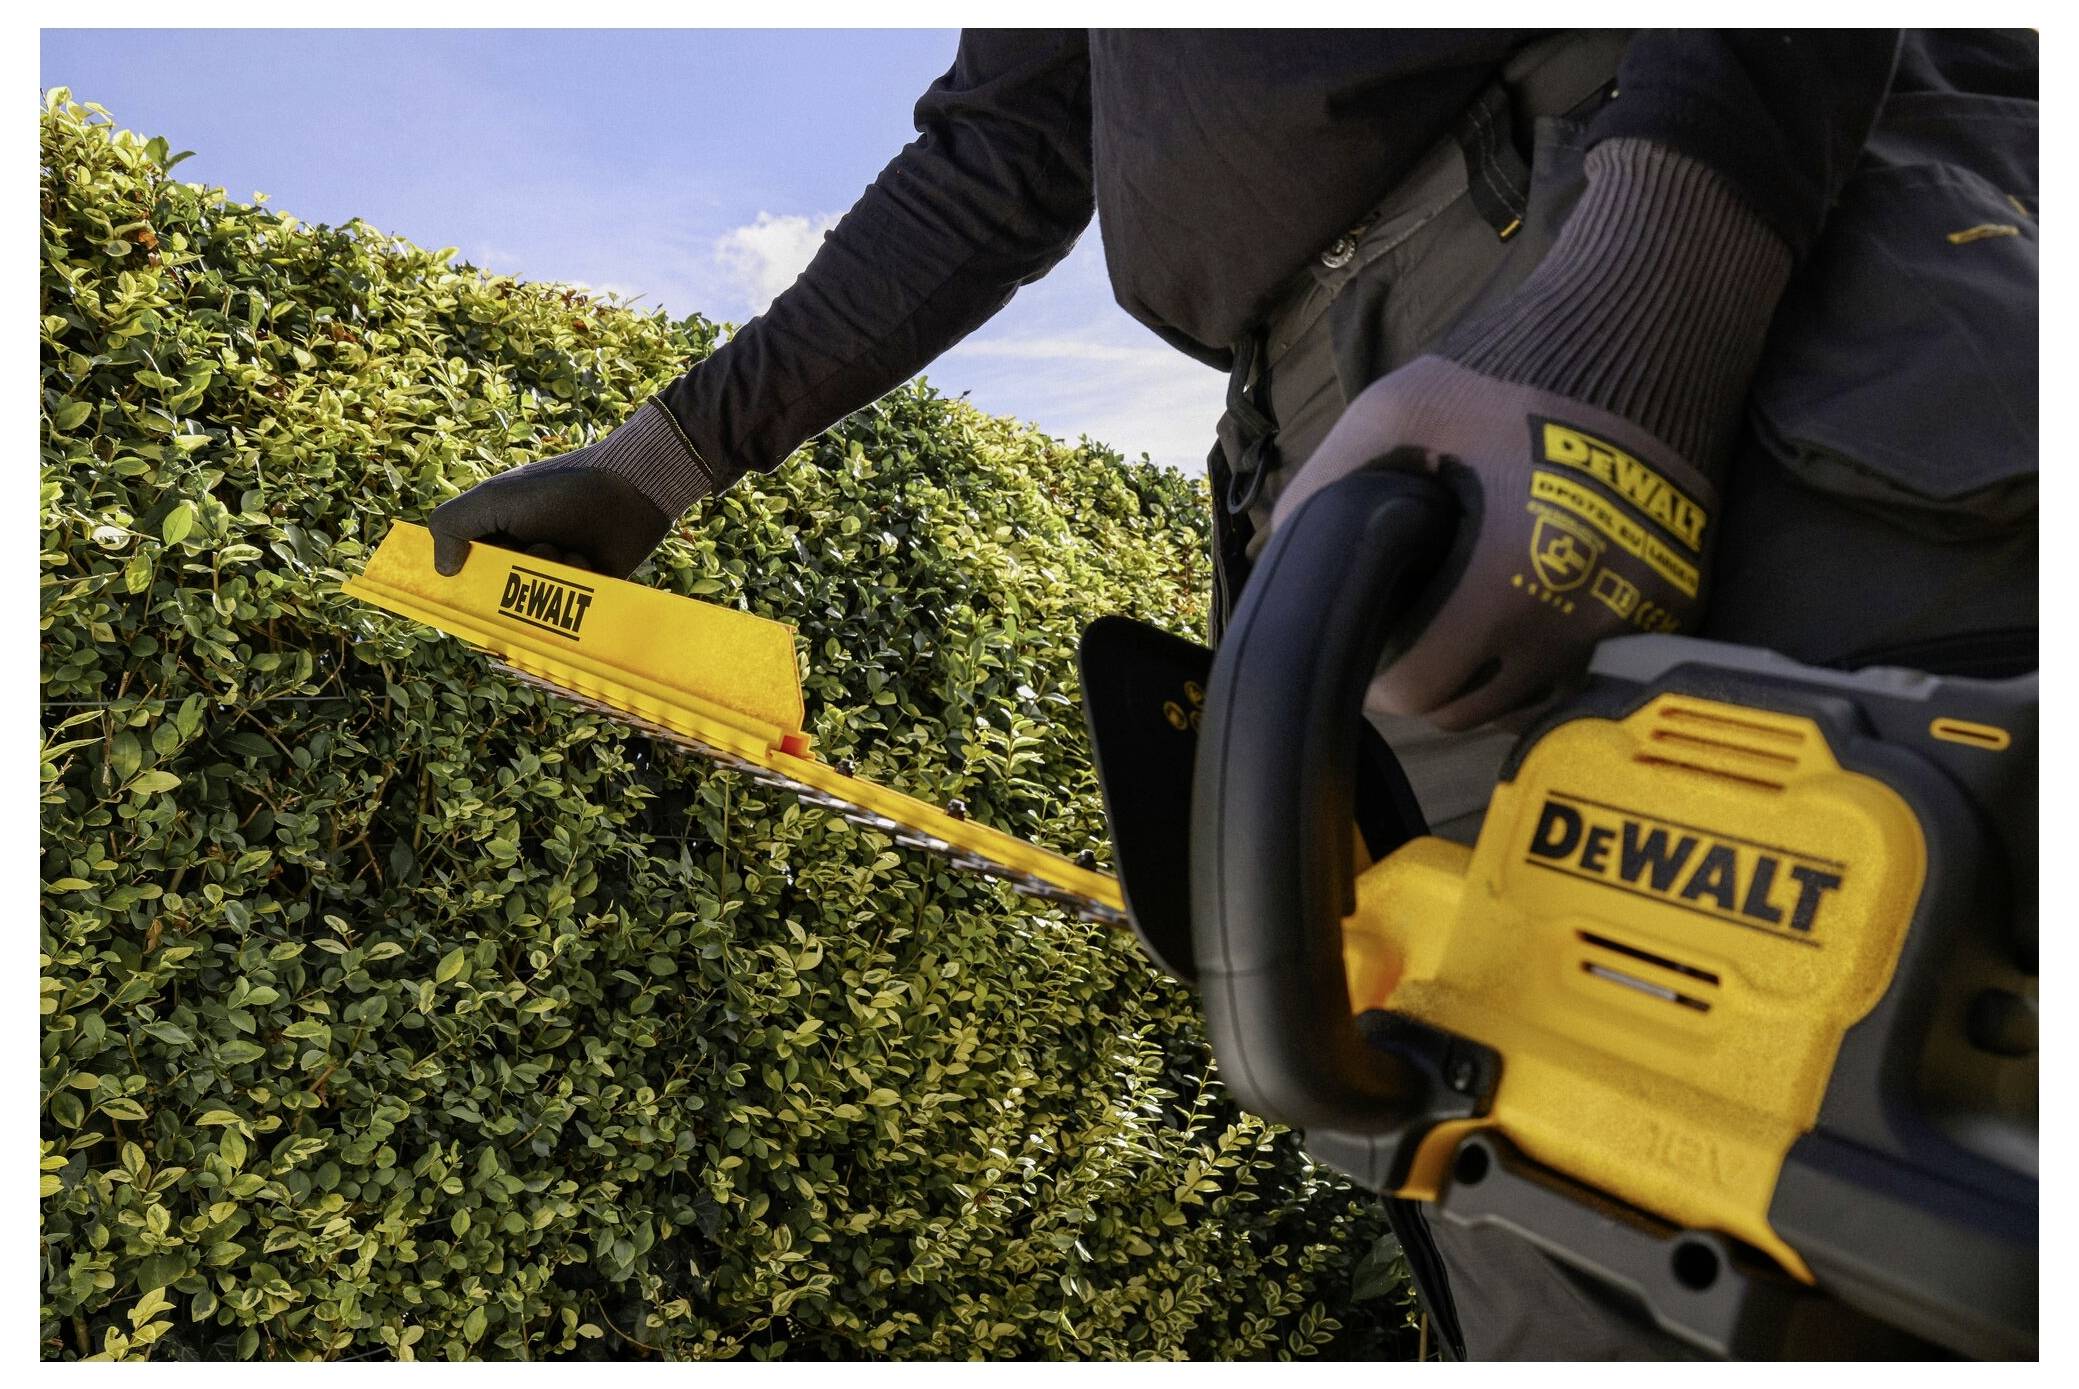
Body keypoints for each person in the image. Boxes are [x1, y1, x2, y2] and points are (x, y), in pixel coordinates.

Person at [425, 30, 2038, 1359]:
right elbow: (1009, 144)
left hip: (1665, 213)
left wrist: (1651, 293)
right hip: (1324, 409)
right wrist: (656, 464)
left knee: (1902, 1090)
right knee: (1570, 1215)